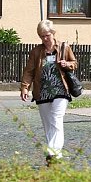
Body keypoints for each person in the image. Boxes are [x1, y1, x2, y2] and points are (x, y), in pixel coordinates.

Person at [20, 19, 78, 165]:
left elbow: (74, 63)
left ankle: (53, 151)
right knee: (48, 124)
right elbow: (29, 71)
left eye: (47, 35)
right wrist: (25, 87)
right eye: (42, 36)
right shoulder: (36, 52)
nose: (45, 39)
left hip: (61, 89)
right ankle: (55, 156)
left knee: (56, 118)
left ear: (53, 33)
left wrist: (67, 64)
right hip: (43, 92)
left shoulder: (64, 47)